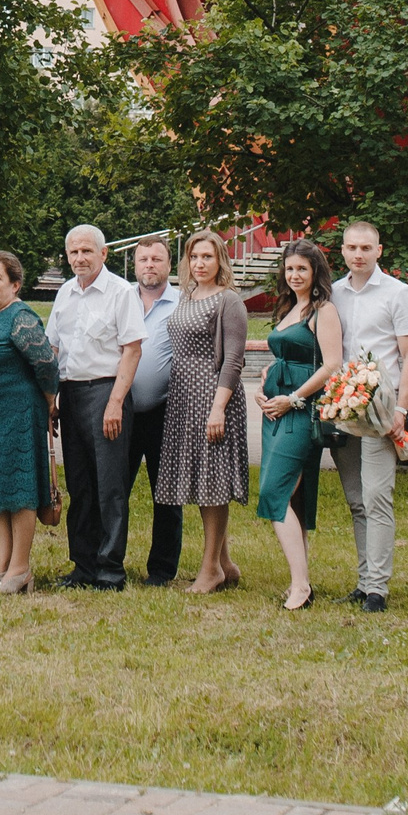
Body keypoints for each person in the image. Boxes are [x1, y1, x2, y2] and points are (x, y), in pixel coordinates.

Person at [328, 221, 408, 611]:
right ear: (343, 251)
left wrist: (401, 407)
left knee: (377, 496)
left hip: (381, 408)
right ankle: (364, 580)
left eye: (366, 248)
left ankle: (378, 589)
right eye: (351, 248)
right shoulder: (333, 293)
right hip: (343, 406)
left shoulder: (398, 294)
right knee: (355, 498)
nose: (358, 255)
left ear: (379, 250)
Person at [151, 229, 248, 594]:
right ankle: (224, 562)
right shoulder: (187, 296)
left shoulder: (229, 300)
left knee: (213, 483)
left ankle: (209, 570)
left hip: (213, 395)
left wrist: (218, 408)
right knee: (199, 478)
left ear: (220, 259)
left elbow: (234, 360)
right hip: (182, 396)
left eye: (207, 257)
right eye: (194, 257)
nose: (200, 263)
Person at [47, 225, 142, 591]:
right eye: (73, 252)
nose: (79, 259)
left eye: (86, 251)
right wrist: (51, 398)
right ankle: (83, 566)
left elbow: (132, 350)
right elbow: (53, 350)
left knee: (110, 487)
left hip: (107, 392)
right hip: (71, 394)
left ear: (104, 254)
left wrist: (116, 402)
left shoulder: (120, 292)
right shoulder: (65, 294)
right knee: (80, 485)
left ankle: (110, 570)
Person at [0, 250, 61, 594]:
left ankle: (20, 568)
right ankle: (2, 566)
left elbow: (46, 362)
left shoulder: (20, 316)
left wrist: (50, 401)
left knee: (19, 491)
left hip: (18, 415)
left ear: (15, 284)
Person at [254, 241, 340, 611]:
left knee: (274, 493)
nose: (294, 276)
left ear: (315, 272)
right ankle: (301, 582)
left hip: (301, 410)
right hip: (274, 409)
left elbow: (331, 364)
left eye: (302, 269)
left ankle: (300, 585)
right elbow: (282, 356)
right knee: (291, 497)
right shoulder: (290, 308)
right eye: (289, 270)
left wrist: (295, 398)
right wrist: (264, 383)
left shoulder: (324, 311)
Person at [121, 236, 184, 587]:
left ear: (168, 265)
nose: (149, 265)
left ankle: (161, 569)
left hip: (167, 411)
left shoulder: (183, 302)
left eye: (156, 259)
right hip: (123, 408)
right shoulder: (122, 298)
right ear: (135, 264)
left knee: (167, 494)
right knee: (116, 489)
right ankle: (111, 558)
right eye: (143, 259)